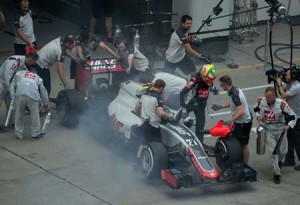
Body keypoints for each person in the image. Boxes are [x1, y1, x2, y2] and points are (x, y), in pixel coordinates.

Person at [253, 87, 296, 184]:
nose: (267, 100)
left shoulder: (282, 104)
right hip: (269, 130)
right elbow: (255, 108)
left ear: (274, 96)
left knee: (283, 151)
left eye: (269, 98)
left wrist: (289, 126)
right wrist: (258, 116)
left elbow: (293, 117)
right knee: (273, 152)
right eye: (266, 97)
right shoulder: (261, 101)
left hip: (281, 130)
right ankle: (276, 174)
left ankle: (280, 162)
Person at [211, 75, 252, 164]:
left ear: (226, 84)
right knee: (238, 141)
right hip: (240, 122)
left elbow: (240, 110)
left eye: (222, 85)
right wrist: (220, 106)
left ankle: (245, 164)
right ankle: (240, 160)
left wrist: (230, 120)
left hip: (243, 122)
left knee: (244, 144)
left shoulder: (234, 94)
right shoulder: (234, 90)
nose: (221, 87)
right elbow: (233, 103)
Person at [134, 79, 174, 166]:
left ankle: (137, 162)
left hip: (143, 123)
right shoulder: (158, 98)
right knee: (157, 144)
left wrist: (142, 115)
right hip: (153, 125)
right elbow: (160, 113)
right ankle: (156, 163)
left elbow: (137, 108)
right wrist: (170, 116)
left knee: (143, 142)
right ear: (161, 88)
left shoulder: (144, 94)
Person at [0, 52, 39, 132]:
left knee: (11, 104)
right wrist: (11, 91)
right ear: (30, 59)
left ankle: (9, 122)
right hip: (2, 82)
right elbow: (7, 77)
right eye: (34, 62)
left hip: (10, 85)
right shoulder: (14, 62)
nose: (34, 64)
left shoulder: (26, 65)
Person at [180, 64, 218, 143]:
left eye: (211, 80)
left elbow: (209, 87)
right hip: (191, 104)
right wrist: (184, 110)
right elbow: (182, 93)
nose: (209, 81)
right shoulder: (194, 80)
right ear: (203, 74)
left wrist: (213, 90)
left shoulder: (209, 79)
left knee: (200, 130)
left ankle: (199, 147)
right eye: (207, 79)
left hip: (201, 107)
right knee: (178, 120)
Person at [10, 67, 49, 140]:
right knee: (35, 114)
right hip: (33, 95)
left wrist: (13, 98)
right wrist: (46, 104)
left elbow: (12, 85)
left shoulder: (20, 74)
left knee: (18, 114)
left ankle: (19, 135)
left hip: (20, 93)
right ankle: (35, 134)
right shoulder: (38, 77)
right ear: (35, 73)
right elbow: (43, 91)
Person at [275, 67, 300, 170]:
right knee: (289, 139)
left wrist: (280, 83)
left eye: (287, 75)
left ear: (293, 76)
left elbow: (284, 94)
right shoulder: (291, 85)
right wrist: (278, 83)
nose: (285, 76)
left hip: (297, 118)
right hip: (290, 116)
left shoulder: (297, 86)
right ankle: (290, 159)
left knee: (297, 141)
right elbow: (282, 95)